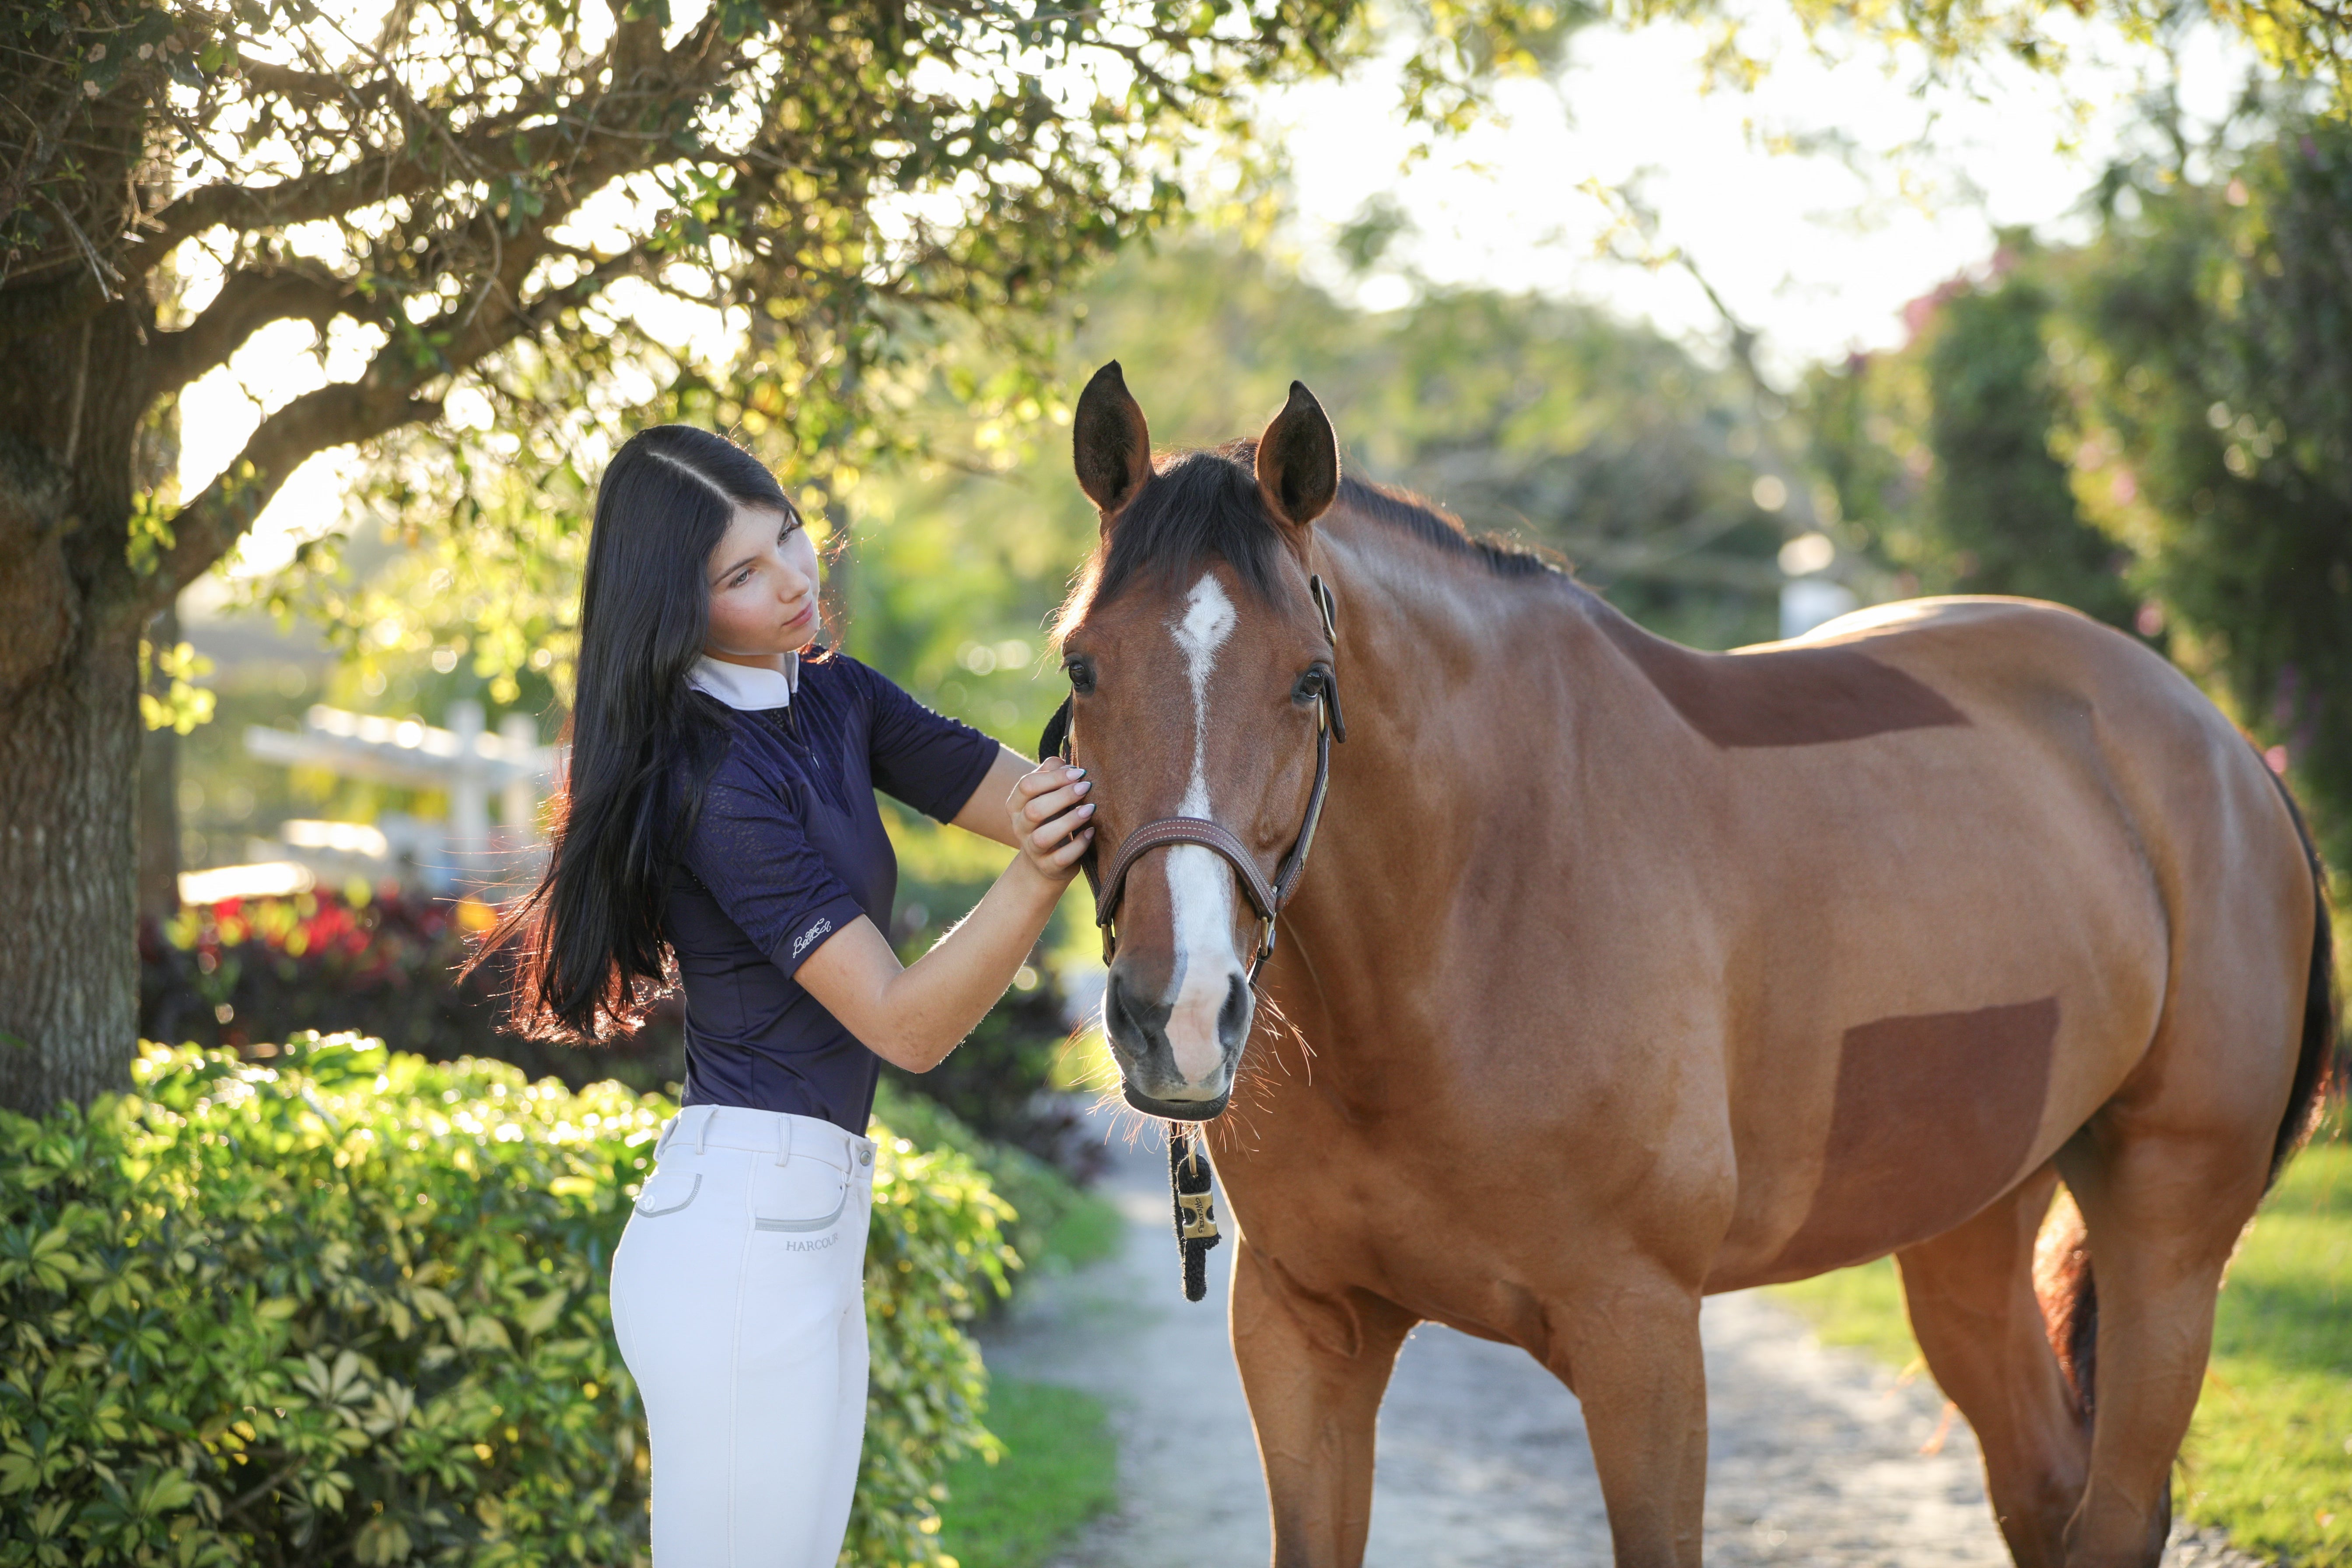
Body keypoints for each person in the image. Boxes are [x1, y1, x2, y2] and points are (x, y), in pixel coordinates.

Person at [484, 424, 1094, 1566]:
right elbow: (907, 1025)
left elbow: (1050, 806)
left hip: (798, 1223)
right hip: (739, 1251)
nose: (796, 580)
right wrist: (1038, 877)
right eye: (744, 575)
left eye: (792, 537)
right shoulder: (711, 784)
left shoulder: (835, 698)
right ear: (678, 606)